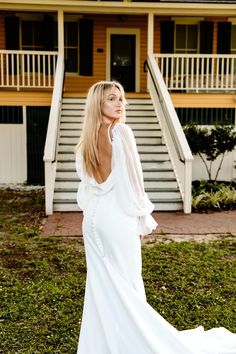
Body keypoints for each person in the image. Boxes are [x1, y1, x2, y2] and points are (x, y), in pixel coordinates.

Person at [75, 81, 236, 354]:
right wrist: (142, 217)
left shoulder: (86, 141)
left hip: (93, 220)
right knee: (128, 282)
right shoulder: (120, 132)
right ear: (98, 104)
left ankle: (105, 344)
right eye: (112, 99)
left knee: (102, 284)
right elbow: (134, 181)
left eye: (121, 98)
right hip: (117, 219)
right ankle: (136, 343)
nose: (120, 104)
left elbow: (87, 186)